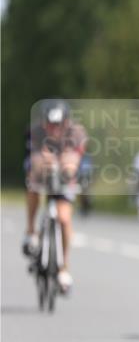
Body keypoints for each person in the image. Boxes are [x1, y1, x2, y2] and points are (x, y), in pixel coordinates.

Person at [23, 99, 88, 293]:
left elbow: (73, 160)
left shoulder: (77, 133)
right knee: (32, 187)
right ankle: (30, 232)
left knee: (64, 219)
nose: (54, 129)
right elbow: (34, 160)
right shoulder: (35, 132)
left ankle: (63, 268)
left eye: (58, 124)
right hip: (41, 174)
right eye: (50, 124)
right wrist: (43, 163)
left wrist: (66, 168)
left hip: (65, 178)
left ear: (67, 122)